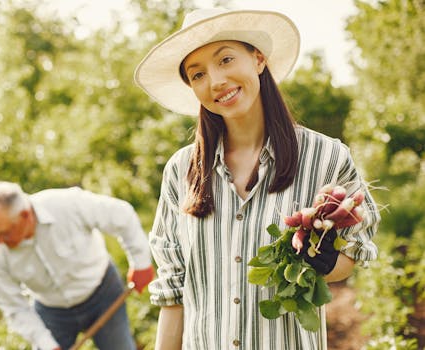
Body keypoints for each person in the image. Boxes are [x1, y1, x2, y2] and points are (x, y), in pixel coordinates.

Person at [134, 8, 380, 350]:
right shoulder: (181, 172)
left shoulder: (326, 157)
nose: (215, 80)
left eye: (226, 59)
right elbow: (174, 295)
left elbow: (351, 257)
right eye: (198, 74)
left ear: (259, 59)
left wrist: (322, 261)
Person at [0, 180, 155, 350]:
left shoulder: (67, 204)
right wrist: (46, 344)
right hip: (51, 310)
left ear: (25, 216)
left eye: (4, 232)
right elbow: (12, 305)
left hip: (103, 293)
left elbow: (122, 215)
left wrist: (141, 263)